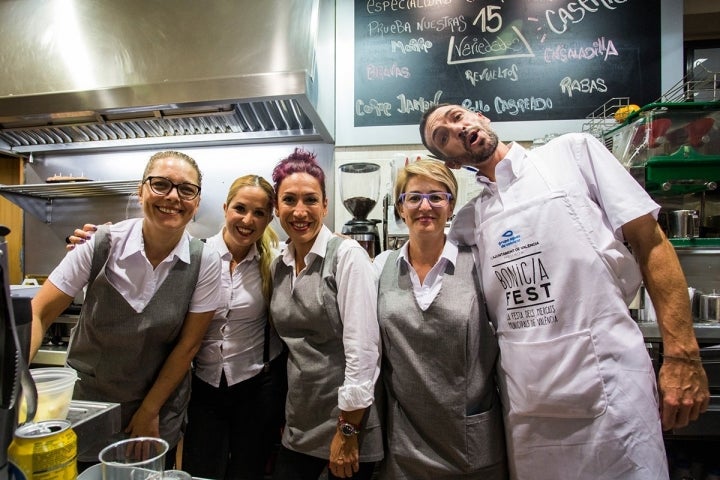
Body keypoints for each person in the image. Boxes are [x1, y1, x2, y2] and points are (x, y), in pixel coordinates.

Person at [419, 103, 710, 479]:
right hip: (530, 406)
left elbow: (650, 241)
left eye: (457, 117)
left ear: (481, 118)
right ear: (453, 163)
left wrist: (682, 355)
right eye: (443, 137)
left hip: (612, 387)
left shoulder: (574, 152)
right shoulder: (470, 221)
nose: (456, 130)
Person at [65, 174, 288, 479]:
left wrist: (339, 241)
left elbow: (309, 252)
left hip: (257, 387)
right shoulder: (196, 257)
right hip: (202, 387)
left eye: (259, 213)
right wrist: (91, 239)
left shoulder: (275, 262)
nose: (248, 220)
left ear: (269, 219)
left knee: (248, 470)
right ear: (225, 208)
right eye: (240, 208)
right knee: (200, 468)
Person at [30, 151, 223, 469]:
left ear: (197, 201)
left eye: (186, 189)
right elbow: (39, 312)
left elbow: (187, 346)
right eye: (160, 184)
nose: (173, 197)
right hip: (90, 404)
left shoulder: (204, 261)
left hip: (157, 408)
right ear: (141, 190)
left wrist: (148, 412)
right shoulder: (101, 244)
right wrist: (12, 389)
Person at [373, 159, 507, 479]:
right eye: (414, 197)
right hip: (405, 448)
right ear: (401, 208)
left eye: (437, 196)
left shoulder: (479, 263)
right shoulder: (380, 268)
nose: (425, 206)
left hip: (470, 447)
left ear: (451, 206)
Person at [268, 148, 383, 480]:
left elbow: (363, 351)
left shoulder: (347, 257)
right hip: (299, 422)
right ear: (277, 208)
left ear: (326, 206)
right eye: (289, 200)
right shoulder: (280, 264)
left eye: (310, 200)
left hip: (347, 423)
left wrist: (347, 432)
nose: (300, 211)